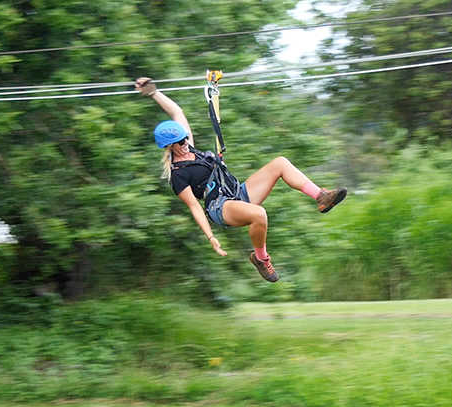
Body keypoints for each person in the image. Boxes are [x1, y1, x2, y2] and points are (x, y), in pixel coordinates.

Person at [135, 77, 347, 283]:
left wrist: (154, 92)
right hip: (219, 206)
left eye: (184, 139)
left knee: (280, 163)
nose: (184, 143)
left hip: (236, 192)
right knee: (259, 215)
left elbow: (176, 112)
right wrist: (211, 238)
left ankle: (321, 197)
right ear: (167, 146)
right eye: (179, 142)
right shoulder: (178, 175)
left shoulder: (189, 147)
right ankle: (261, 259)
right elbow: (194, 207)